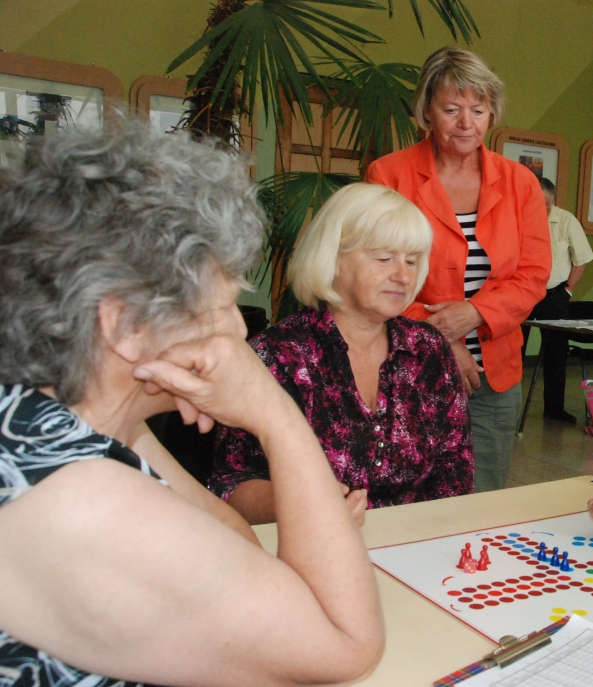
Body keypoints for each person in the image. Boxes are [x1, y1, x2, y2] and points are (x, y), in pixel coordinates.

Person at [0, 122, 384, 685]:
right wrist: (276, 415)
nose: (237, 329)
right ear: (127, 324)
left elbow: (234, 548)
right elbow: (344, 645)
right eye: (224, 303)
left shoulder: (57, 423)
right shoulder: (79, 499)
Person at [211, 183, 474, 521]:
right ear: (332, 259)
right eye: (383, 258)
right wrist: (305, 506)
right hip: (304, 547)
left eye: (411, 261)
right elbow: (231, 483)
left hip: (415, 547)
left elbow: (455, 471)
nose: (403, 275)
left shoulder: (428, 349)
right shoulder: (275, 355)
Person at [366, 46, 551, 492]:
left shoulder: (520, 182)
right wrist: (439, 340)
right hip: (408, 365)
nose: (466, 123)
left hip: (494, 374)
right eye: (452, 109)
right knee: (407, 494)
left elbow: (532, 273)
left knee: (481, 496)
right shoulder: (388, 175)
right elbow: (376, 278)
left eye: (478, 110)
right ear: (427, 110)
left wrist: (475, 314)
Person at [522, 176, 593, 424]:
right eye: (534, 202)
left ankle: (554, 408)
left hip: (554, 295)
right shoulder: (516, 217)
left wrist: (568, 290)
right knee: (512, 351)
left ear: (553, 201)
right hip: (521, 293)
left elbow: (581, 259)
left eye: (544, 204)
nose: (539, 208)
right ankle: (508, 409)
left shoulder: (565, 220)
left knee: (556, 353)